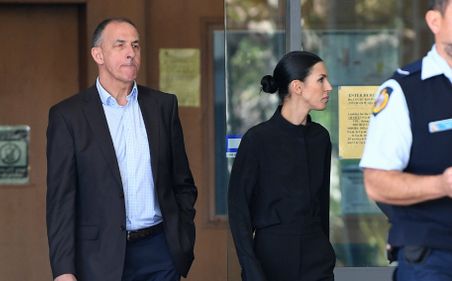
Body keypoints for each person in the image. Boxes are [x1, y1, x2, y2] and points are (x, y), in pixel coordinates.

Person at [46, 17, 197, 281]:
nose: (131, 53)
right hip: (98, 256)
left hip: (160, 252)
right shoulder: (68, 116)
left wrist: (181, 237)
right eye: (120, 45)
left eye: (136, 46)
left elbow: (182, 181)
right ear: (98, 54)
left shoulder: (162, 106)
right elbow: (61, 201)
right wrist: (63, 270)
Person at [360, 0, 452, 280]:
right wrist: (442, 184)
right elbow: (376, 182)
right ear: (435, 22)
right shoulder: (403, 90)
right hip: (434, 260)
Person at [228, 51, 336, 281]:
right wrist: (251, 269)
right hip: (271, 258)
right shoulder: (257, 140)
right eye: (321, 80)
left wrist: (325, 252)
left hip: (316, 259)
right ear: (297, 86)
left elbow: (322, 203)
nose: (329, 87)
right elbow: (239, 213)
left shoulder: (321, 138)